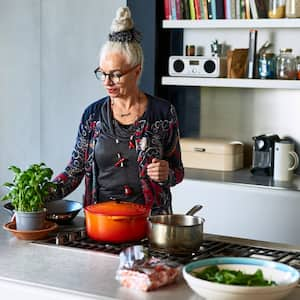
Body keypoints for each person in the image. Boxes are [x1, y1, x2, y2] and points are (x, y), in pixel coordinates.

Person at [48, 6, 184, 215]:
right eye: (102, 74)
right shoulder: (92, 116)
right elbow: (74, 171)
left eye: (116, 75)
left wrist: (166, 173)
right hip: (101, 222)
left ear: (137, 70)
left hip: (151, 224)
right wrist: (37, 194)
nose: (107, 82)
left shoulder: (163, 113)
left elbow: (177, 171)